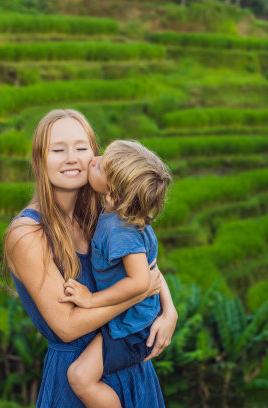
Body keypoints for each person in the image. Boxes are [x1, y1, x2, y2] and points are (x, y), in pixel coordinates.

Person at [3, 109, 177, 408]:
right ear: (39, 159)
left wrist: (169, 310)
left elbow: (147, 266)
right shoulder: (28, 234)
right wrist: (141, 293)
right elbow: (67, 327)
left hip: (129, 367)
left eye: (81, 148)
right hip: (77, 380)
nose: (71, 157)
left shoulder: (104, 215)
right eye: (58, 149)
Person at [60, 140, 172, 408]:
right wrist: (170, 310)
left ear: (112, 196)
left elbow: (142, 280)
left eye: (101, 167)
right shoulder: (121, 216)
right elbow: (153, 267)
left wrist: (90, 300)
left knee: (80, 377)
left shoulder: (121, 230)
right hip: (133, 321)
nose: (93, 160)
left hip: (134, 330)